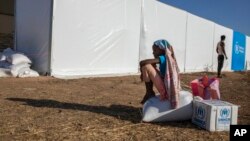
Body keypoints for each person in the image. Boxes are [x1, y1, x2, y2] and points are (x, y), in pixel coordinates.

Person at [139, 39, 181, 109]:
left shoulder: (164, 58)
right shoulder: (168, 58)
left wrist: (141, 70)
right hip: (166, 87)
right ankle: (149, 92)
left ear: (162, 50)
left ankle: (149, 92)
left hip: (166, 90)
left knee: (146, 66)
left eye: (155, 50)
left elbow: (143, 62)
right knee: (149, 66)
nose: (153, 53)